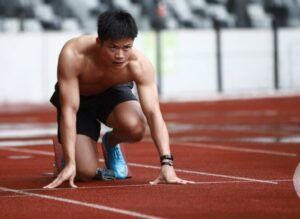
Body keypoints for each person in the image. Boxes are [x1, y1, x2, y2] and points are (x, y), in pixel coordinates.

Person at [44, 10, 194, 189]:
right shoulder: (74, 54)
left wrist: (167, 164)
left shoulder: (139, 65)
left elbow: (153, 113)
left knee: (137, 126)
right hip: (80, 101)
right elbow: (70, 110)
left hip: (111, 92)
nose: (120, 55)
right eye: (113, 47)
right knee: (84, 172)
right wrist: (70, 163)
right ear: (99, 42)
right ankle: (67, 153)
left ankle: (111, 142)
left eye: (126, 47)